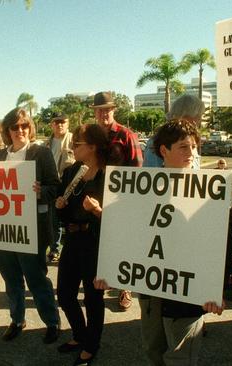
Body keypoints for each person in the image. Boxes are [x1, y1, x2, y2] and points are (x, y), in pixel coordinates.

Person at [120, 120, 223, 366]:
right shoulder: (141, 189)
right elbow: (129, 234)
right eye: (184, 147)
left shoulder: (208, 191)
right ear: (163, 150)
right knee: (153, 352)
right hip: (151, 290)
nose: (192, 154)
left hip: (187, 295)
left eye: (195, 147)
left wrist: (213, 287)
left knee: (181, 359)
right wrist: (111, 272)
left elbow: (215, 244)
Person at [0, 108, 61, 344]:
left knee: (36, 278)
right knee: (11, 279)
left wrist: (42, 191)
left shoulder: (40, 153)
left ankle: (51, 322)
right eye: (14, 127)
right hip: (3, 230)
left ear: (30, 128)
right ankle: (17, 319)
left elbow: (55, 187)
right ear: (7, 130)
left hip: (32, 228)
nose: (20, 131)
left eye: (24, 126)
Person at [54, 123, 110, 366]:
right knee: (65, 295)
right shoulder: (71, 172)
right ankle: (80, 334)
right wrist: (60, 208)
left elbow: (120, 219)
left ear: (93, 146)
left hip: (95, 242)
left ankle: (91, 345)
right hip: (73, 239)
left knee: (93, 298)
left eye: (77, 144)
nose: (73, 147)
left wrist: (98, 211)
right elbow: (62, 214)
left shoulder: (109, 175)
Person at [91, 90, 143, 311]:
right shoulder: (92, 135)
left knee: (123, 244)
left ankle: (126, 288)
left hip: (122, 199)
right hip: (96, 197)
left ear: (113, 110)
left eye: (107, 110)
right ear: (95, 112)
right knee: (102, 243)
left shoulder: (125, 134)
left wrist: (131, 202)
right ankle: (105, 279)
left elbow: (138, 169)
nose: (104, 113)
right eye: (100, 110)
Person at [143, 94, 206, 169]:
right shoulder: (156, 142)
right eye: (197, 116)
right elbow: (152, 175)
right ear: (183, 115)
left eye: (193, 147)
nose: (198, 122)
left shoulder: (191, 140)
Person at [44, 114, 74, 263]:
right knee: (52, 221)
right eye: (56, 122)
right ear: (52, 125)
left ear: (68, 124)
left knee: (70, 220)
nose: (59, 125)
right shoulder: (46, 144)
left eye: (62, 122)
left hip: (70, 186)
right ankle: (55, 250)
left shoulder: (74, 140)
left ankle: (70, 250)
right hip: (52, 186)